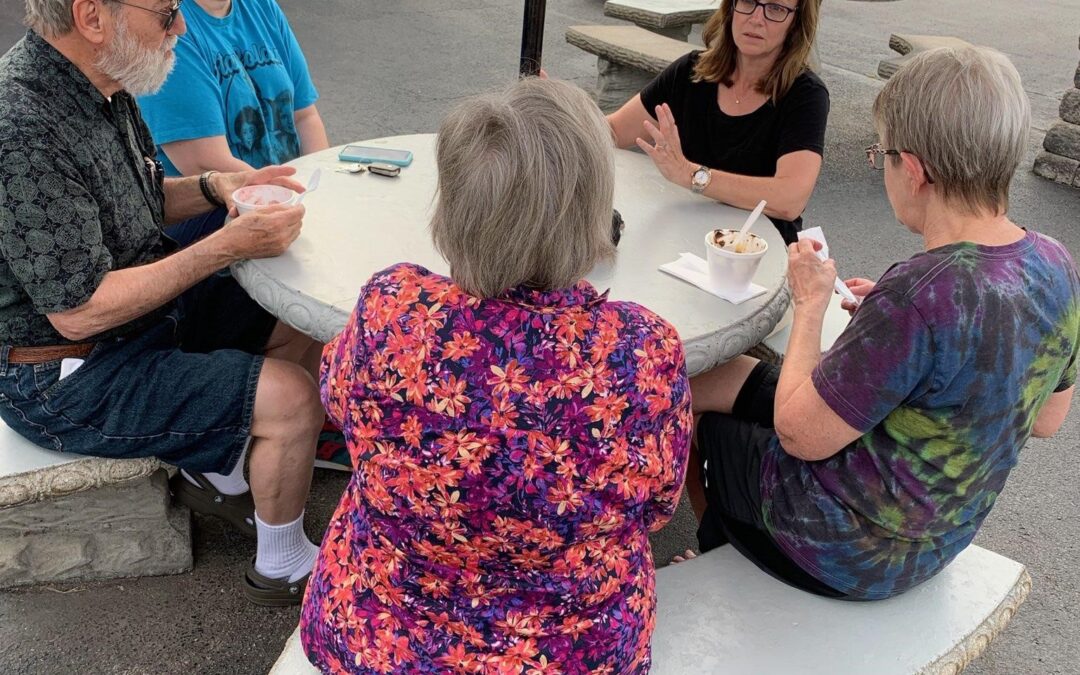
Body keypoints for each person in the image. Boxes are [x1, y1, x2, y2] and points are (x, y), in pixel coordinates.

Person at [300, 78, 693, 671]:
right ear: (591, 212)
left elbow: (338, 399)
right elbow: (659, 506)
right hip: (571, 654)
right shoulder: (642, 351)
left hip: (376, 637)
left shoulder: (392, 308)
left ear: (454, 205)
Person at [687, 46, 1079, 600]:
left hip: (845, 553)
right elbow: (1046, 419)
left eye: (882, 154)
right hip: (937, 539)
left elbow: (799, 435)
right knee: (718, 378)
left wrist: (811, 304)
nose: (882, 164)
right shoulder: (1056, 262)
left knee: (699, 423)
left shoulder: (917, 294)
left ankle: (724, 557)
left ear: (913, 171)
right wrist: (888, 326)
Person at [2, 0, 327, 605]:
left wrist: (217, 186)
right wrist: (225, 245)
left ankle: (227, 466)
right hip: (64, 372)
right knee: (292, 397)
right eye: (166, 11)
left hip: (135, 319)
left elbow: (143, 198)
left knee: (296, 299)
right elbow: (79, 311)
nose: (179, 25)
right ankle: (283, 563)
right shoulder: (20, 126)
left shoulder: (101, 81)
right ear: (92, 17)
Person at [608, 0, 828, 245]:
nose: (756, 18)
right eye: (748, 1)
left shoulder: (806, 94)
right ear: (730, 7)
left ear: (796, 23)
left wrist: (690, 174)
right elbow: (613, 130)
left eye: (776, 8)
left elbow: (790, 199)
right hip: (683, 237)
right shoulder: (691, 72)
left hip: (756, 252)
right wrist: (571, 117)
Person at [135, 0, 329, 247]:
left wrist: (320, 188)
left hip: (285, 197)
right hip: (214, 215)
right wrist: (297, 204)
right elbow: (206, 162)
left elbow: (304, 116)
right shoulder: (173, 28)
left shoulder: (262, 7)